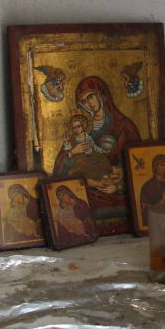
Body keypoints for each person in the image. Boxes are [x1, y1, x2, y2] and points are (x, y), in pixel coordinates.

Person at [53, 76, 140, 224]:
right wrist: (72, 153)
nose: (89, 103)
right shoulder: (80, 128)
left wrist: (119, 185)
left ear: (101, 95)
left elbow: (138, 163)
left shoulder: (125, 126)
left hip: (116, 188)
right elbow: (59, 170)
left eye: (91, 96)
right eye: (84, 101)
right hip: (90, 187)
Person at [140, 154, 165, 224]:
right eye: (157, 164)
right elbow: (145, 212)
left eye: (162, 164)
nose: (159, 167)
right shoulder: (147, 186)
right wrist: (163, 201)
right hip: (156, 223)